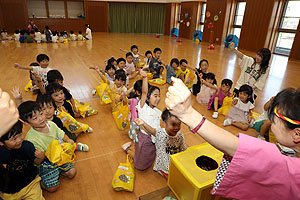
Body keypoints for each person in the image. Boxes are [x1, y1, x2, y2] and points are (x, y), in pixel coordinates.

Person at [165, 77, 300, 200]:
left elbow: (237, 148)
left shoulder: (289, 168)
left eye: (275, 118)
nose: (271, 120)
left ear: (296, 134)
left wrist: (187, 113)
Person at [18, 101, 76, 192]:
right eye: (35, 118)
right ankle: (40, 182)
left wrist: (68, 140)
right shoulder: (31, 139)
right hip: (46, 164)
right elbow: (37, 162)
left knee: (72, 173)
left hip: (59, 156)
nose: (41, 118)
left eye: (41, 114)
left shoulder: (51, 124)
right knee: (53, 188)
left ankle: (59, 171)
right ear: (27, 124)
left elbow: (61, 134)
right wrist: (41, 157)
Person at [122, 70, 162, 170]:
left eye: (159, 96)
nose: (158, 98)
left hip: (152, 139)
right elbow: (144, 92)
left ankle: (143, 160)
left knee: (150, 155)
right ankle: (127, 149)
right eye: (155, 96)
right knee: (139, 165)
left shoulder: (158, 111)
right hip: (144, 139)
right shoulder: (143, 107)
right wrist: (145, 78)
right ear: (148, 98)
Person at [134, 108, 187, 178]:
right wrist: (143, 124)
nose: (177, 127)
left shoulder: (180, 135)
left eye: (179, 124)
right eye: (173, 124)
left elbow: (183, 148)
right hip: (163, 162)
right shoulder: (161, 133)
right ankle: (162, 172)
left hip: (174, 161)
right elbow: (153, 131)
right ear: (164, 123)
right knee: (167, 174)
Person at [0, 121, 45, 200]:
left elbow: (36, 162)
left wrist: (41, 157)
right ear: (1, 142)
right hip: (8, 191)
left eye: (20, 134)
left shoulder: (27, 146)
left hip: (30, 183)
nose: (19, 140)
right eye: (14, 139)